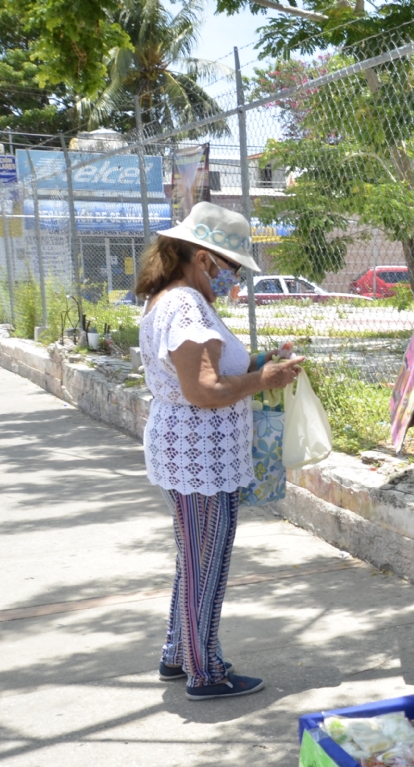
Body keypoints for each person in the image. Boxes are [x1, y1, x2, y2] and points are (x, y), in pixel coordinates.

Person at [137, 202, 304, 700]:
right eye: (231, 268)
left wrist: (258, 362)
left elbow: (201, 371)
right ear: (205, 258)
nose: (234, 279)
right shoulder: (186, 305)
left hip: (190, 451)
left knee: (194, 558)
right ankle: (204, 670)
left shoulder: (169, 299)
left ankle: (176, 653)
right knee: (206, 561)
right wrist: (262, 379)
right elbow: (203, 390)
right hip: (200, 455)